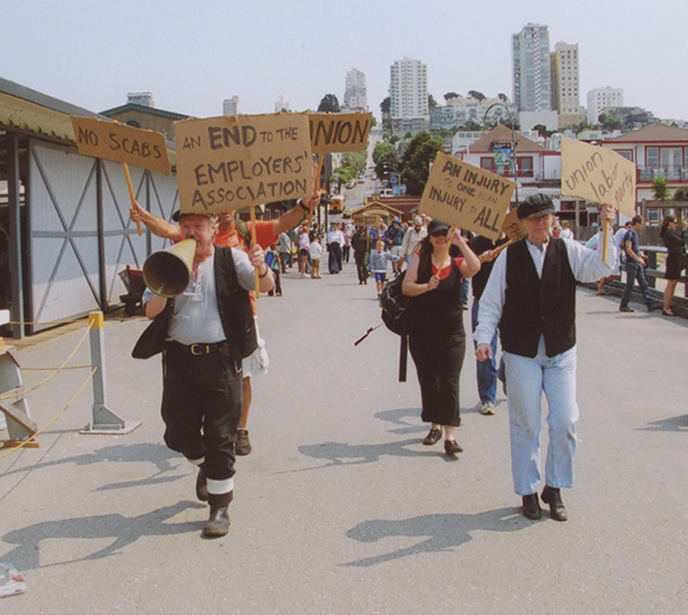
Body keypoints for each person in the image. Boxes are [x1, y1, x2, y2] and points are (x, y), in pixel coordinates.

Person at [131, 196, 317, 457]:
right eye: (188, 226)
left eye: (231, 204)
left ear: (216, 224)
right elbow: (168, 229)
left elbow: (281, 225)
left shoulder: (247, 232)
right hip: (193, 334)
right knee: (191, 406)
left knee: (243, 376)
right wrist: (145, 216)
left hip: (240, 316)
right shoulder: (188, 237)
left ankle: (238, 430)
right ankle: (209, 442)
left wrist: (304, 207)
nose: (191, 231)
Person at [475, 194, 618, 522]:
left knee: (565, 420)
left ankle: (554, 487)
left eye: (546, 217)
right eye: (534, 219)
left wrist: (607, 226)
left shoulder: (568, 250)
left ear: (553, 219)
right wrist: (484, 338)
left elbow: (602, 267)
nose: (541, 223)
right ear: (523, 224)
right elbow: (491, 302)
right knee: (526, 422)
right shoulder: (509, 256)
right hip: (521, 351)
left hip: (560, 349)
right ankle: (527, 489)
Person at [142, 211, 274, 537]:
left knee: (221, 435)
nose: (191, 232)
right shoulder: (167, 260)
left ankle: (220, 507)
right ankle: (205, 466)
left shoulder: (233, 258)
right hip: (180, 361)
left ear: (212, 229)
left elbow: (266, 286)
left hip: (221, 360)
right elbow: (149, 311)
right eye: (185, 226)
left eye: (198, 226)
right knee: (177, 431)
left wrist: (261, 265)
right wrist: (167, 281)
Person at [402, 219, 480, 456]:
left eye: (445, 234)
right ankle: (434, 426)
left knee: (450, 381)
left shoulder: (457, 262)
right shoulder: (421, 259)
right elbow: (407, 287)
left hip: (452, 334)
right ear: (430, 237)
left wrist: (460, 243)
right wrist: (426, 286)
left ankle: (450, 436)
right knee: (428, 379)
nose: (441, 238)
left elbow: (475, 267)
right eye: (437, 234)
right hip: (423, 333)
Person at [468, 233, 509, 416]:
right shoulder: (476, 243)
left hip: (510, 301)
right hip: (483, 301)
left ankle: (504, 373)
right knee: (485, 351)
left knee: (514, 348)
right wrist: (478, 260)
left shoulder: (513, 242)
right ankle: (487, 398)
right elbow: (463, 268)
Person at [619, 215, 661, 313]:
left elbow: (632, 248)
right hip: (632, 263)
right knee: (630, 284)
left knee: (643, 283)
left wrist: (640, 255)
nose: (642, 226)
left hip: (636, 262)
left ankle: (650, 303)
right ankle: (623, 304)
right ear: (637, 223)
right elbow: (628, 249)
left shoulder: (634, 234)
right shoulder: (630, 233)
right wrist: (638, 259)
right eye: (641, 224)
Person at [660, 215, 686, 316]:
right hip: (674, 259)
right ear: (669, 222)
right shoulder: (668, 233)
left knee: (672, 283)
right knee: (671, 283)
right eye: (674, 222)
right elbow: (682, 242)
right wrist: (684, 230)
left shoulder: (669, 233)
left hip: (676, 258)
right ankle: (666, 307)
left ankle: (667, 306)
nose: (676, 225)